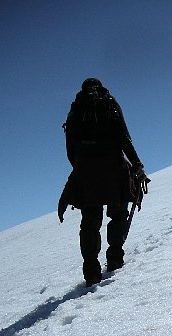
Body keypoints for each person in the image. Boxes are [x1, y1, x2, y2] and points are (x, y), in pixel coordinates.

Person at [58, 78, 149, 287]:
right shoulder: (109, 103)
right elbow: (124, 136)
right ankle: (115, 257)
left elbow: (70, 148)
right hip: (114, 167)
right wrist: (137, 165)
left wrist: (80, 167)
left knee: (90, 221)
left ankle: (91, 272)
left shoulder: (75, 110)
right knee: (117, 214)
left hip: (87, 172)